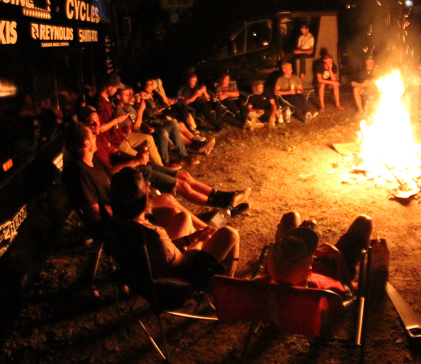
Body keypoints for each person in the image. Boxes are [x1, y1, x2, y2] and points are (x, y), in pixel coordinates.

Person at [82, 112, 248, 210]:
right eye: (92, 122)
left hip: (138, 164)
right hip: (133, 175)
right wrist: (135, 162)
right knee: (181, 186)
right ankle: (222, 205)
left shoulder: (100, 139)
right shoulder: (93, 153)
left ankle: (224, 196)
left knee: (184, 176)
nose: (97, 124)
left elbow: (117, 152)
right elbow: (111, 173)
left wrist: (136, 156)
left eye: (98, 120)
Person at [108, 168, 240, 284]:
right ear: (145, 198)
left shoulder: (121, 223)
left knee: (183, 217)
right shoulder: (154, 234)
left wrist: (190, 238)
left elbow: (163, 250)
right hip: (177, 278)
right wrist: (198, 241)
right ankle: (227, 287)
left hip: (149, 267)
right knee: (230, 234)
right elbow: (182, 262)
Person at [263, 211, 373, 294]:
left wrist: (297, 241)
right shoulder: (324, 289)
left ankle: (296, 241)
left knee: (292, 216)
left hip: (288, 262)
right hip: (333, 269)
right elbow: (347, 290)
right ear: (309, 271)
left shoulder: (265, 283)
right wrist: (338, 257)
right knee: (364, 222)